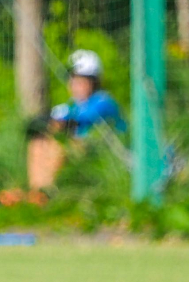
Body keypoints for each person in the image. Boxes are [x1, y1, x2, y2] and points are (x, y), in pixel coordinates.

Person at [25, 50, 124, 190]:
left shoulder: (103, 101)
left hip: (104, 154)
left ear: (93, 83)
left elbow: (80, 120)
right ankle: (36, 192)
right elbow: (39, 124)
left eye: (81, 81)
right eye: (73, 80)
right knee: (38, 142)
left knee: (58, 144)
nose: (75, 85)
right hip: (83, 151)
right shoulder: (71, 106)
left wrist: (53, 124)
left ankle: (46, 192)